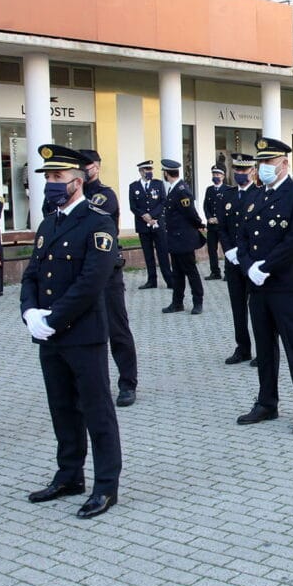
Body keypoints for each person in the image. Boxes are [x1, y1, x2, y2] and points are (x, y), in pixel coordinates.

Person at [21, 144, 121, 519]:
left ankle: (106, 486)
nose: (50, 183)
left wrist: (52, 318)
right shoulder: (49, 223)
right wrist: (29, 312)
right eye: (47, 177)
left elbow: (91, 282)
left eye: (56, 177)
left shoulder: (98, 222)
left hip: (82, 333)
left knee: (96, 411)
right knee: (61, 408)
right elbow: (32, 273)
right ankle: (69, 475)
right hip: (50, 334)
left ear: (77, 181)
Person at [235, 138, 293, 434]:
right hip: (258, 286)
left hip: (286, 284)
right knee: (264, 346)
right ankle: (267, 402)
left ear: (285, 164)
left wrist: (265, 267)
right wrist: (249, 267)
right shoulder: (255, 196)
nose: (264, 168)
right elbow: (243, 237)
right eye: (261, 164)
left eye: (269, 163)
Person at [80, 150, 139, 407]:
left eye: (88, 165)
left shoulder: (104, 195)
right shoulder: (66, 195)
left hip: (106, 273)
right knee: (84, 332)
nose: (84, 170)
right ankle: (90, 386)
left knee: (117, 330)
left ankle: (128, 383)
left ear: (97, 167)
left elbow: (85, 220)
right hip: (79, 273)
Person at [219, 153, 260, 366]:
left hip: (252, 261)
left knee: (258, 308)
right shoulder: (227, 195)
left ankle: (262, 351)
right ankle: (242, 348)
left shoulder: (260, 194)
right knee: (238, 307)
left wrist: (245, 254)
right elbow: (222, 227)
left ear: (253, 171)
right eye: (236, 170)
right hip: (233, 261)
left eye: (244, 170)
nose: (239, 174)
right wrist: (228, 251)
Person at [160, 159, 205, 315]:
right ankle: (177, 302)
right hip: (175, 238)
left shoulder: (181, 190)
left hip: (184, 239)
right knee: (177, 273)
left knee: (191, 272)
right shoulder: (174, 189)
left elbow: (190, 212)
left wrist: (199, 224)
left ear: (166, 173)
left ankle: (198, 302)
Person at [128, 160, 172, 289]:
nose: (149, 172)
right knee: (148, 254)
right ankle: (151, 280)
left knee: (162, 252)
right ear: (141, 171)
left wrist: (152, 215)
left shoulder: (158, 184)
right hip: (143, 224)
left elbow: (163, 201)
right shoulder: (134, 186)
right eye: (147, 170)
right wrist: (144, 216)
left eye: (150, 169)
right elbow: (133, 206)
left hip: (158, 223)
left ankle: (169, 280)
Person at [202, 165, 226, 280]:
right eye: (214, 174)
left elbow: (228, 208)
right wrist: (209, 217)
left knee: (226, 249)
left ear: (223, 176)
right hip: (211, 226)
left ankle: (228, 272)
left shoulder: (227, 190)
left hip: (223, 226)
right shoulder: (209, 190)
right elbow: (205, 206)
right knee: (212, 250)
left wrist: (219, 219)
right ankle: (215, 272)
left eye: (218, 174)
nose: (215, 176)